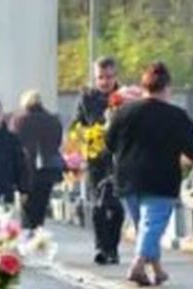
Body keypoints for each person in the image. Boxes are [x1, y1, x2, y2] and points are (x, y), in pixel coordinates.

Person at [105, 62, 193, 286]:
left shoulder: (124, 112)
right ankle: (137, 263)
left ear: (144, 87)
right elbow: (191, 146)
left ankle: (156, 269)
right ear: (167, 87)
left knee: (145, 227)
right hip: (160, 179)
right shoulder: (176, 116)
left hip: (127, 178)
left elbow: (109, 142)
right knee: (152, 226)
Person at [79, 56, 123, 264]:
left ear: (116, 76)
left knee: (114, 206)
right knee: (97, 205)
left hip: (119, 158)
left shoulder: (124, 97)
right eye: (100, 78)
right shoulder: (87, 98)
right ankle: (101, 248)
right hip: (95, 158)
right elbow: (78, 125)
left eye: (109, 77)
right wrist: (84, 135)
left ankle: (112, 247)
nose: (105, 82)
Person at [11, 90, 65, 229]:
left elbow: (14, 145)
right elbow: (57, 142)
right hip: (48, 169)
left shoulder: (19, 120)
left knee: (27, 209)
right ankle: (38, 234)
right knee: (40, 207)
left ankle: (28, 238)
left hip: (27, 169)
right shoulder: (52, 120)